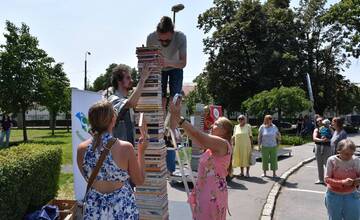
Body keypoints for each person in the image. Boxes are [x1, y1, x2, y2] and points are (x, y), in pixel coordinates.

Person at [77, 101, 148, 219]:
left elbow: (87, 178)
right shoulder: (125, 148)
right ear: (113, 120)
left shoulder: (81, 149)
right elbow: (139, 180)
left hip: (94, 208)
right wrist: (141, 152)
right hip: (122, 207)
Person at [169, 99, 233, 220]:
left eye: (216, 124)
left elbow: (198, 135)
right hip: (206, 194)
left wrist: (179, 118)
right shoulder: (213, 147)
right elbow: (196, 137)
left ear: (225, 131)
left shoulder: (223, 143)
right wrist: (178, 119)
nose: (212, 125)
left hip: (212, 196)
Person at [146, 16, 187, 111]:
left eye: (167, 40)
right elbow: (148, 59)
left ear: (173, 33)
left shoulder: (181, 37)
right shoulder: (151, 38)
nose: (164, 43)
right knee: (160, 99)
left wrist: (167, 62)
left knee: (175, 100)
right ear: (157, 34)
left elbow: (183, 63)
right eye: (161, 40)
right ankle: (161, 125)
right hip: (159, 69)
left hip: (176, 67)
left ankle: (173, 126)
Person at [106, 64, 151, 146]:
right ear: (119, 81)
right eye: (128, 78)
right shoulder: (113, 99)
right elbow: (131, 103)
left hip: (127, 151)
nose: (132, 80)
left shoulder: (126, 100)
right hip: (117, 152)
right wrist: (142, 79)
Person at [325, 139, 360, 220]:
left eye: (352, 154)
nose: (349, 157)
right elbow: (327, 179)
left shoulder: (356, 160)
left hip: (351, 195)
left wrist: (357, 181)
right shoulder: (332, 160)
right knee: (335, 218)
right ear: (338, 151)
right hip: (334, 195)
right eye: (346, 154)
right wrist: (342, 182)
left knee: (353, 217)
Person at [313, 117, 332, 184]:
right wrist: (322, 140)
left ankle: (328, 179)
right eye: (318, 121)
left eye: (321, 120)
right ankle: (321, 179)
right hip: (318, 147)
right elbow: (314, 138)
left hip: (327, 147)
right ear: (317, 123)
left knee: (327, 164)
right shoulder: (316, 129)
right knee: (319, 164)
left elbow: (333, 137)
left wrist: (328, 140)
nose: (319, 122)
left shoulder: (329, 129)